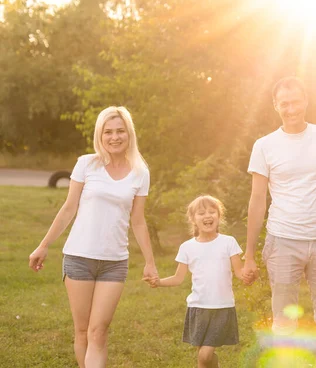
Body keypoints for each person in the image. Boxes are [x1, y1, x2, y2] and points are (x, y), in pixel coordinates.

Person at [28, 106, 159, 368]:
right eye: (108, 131)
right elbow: (68, 209)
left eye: (120, 131)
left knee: (99, 331)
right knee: (83, 331)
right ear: (100, 135)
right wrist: (43, 246)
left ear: (129, 134)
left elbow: (138, 220)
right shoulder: (87, 163)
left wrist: (150, 262)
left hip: (114, 262)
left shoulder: (140, 172)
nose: (114, 137)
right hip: (78, 258)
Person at [242, 76, 316, 367]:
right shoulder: (264, 146)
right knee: (284, 319)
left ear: (306, 101)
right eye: (284, 103)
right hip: (282, 241)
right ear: (275, 106)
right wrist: (249, 254)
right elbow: (257, 198)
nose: (291, 109)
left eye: (295, 101)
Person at [149, 195, 245, 368]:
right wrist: (159, 282)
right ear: (193, 219)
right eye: (201, 213)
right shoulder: (187, 247)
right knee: (204, 357)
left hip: (221, 307)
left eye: (211, 212)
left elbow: (239, 272)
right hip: (198, 308)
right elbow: (178, 278)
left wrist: (249, 273)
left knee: (205, 355)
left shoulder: (228, 242)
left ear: (219, 216)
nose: (207, 216)